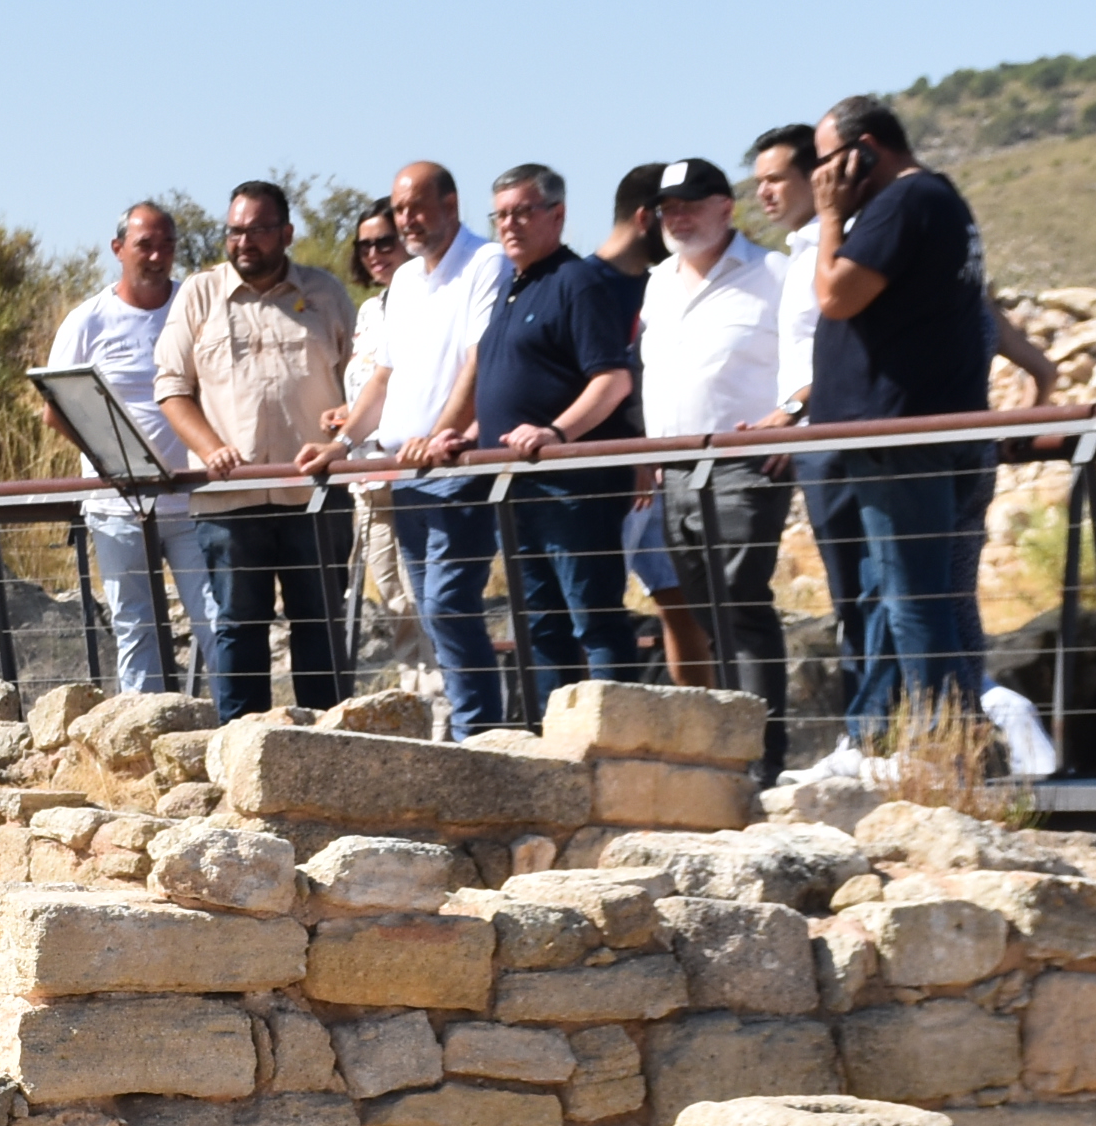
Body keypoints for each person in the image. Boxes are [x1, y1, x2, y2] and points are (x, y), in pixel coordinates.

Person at [796, 97, 996, 735]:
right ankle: (881, 740)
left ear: (865, 150)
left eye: (826, 163)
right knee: (895, 598)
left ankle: (948, 752)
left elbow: (835, 294)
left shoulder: (903, 203)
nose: (820, 179)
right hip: (919, 432)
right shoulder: (936, 200)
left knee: (914, 602)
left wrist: (829, 218)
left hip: (902, 438)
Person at [151, 179, 361, 715]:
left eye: (258, 231)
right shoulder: (198, 295)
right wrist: (212, 447)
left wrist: (342, 439)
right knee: (239, 630)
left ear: (286, 233)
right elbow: (171, 388)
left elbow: (364, 382)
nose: (244, 242)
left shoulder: (326, 294)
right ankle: (241, 755)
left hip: (313, 498)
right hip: (230, 503)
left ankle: (330, 752)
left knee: (320, 627)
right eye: (235, 231)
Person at [325, 160, 515, 736]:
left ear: (450, 205)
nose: (407, 219)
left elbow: (480, 360)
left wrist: (442, 435)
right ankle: (466, 725)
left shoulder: (486, 262)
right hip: (404, 470)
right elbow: (384, 375)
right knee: (427, 608)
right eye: (399, 208)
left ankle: (477, 730)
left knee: (448, 602)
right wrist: (340, 443)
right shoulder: (404, 281)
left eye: (416, 206)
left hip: (454, 465)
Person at [468, 165, 649, 713]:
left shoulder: (578, 283)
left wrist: (556, 432)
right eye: (501, 214)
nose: (510, 225)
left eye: (523, 212)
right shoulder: (512, 286)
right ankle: (560, 750)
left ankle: (618, 740)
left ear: (558, 215)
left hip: (574, 488)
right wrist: (464, 436)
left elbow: (613, 380)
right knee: (542, 625)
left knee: (593, 618)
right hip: (519, 486)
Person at [630, 159, 793, 746]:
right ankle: (725, 751)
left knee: (742, 603)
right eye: (669, 207)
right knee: (703, 614)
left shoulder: (776, 272)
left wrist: (796, 420)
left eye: (691, 204)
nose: (678, 217)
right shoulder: (657, 281)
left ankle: (761, 753)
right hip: (673, 471)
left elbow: (818, 354)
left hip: (743, 466)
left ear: (727, 206)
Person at [40, 202, 214, 694]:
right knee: (135, 626)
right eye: (145, 244)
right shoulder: (87, 321)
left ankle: (233, 726)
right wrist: (111, 459)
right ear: (119, 249)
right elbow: (55, 407)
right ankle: (143, 738)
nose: (157, 255)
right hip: (118, 505)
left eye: (167, 245)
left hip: (192, 501)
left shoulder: (195, 309)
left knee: (215, 618)